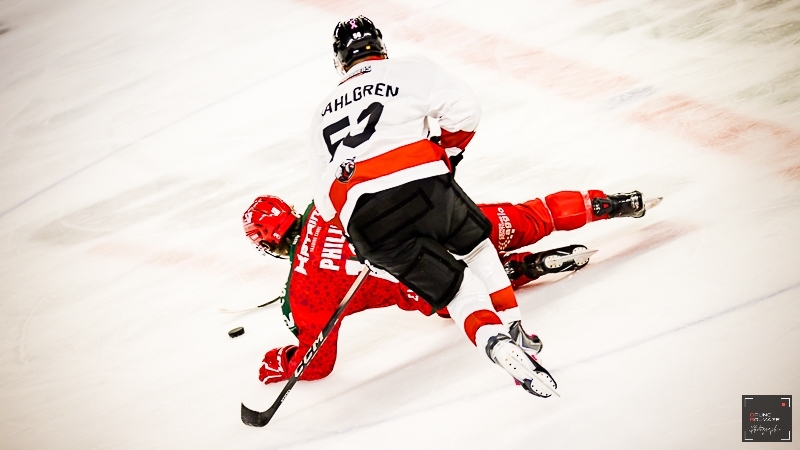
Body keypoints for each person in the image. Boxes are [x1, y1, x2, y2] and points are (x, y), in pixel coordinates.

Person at [245, 188, 651, 388]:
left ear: (267, 243)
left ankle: (526, 268)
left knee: (458, 295)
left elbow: (316, 363)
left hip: (424, 278)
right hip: (446, 222)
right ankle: (612, 203)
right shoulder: (326, 200)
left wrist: (281, 356)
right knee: (529, 217)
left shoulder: (304, 291)